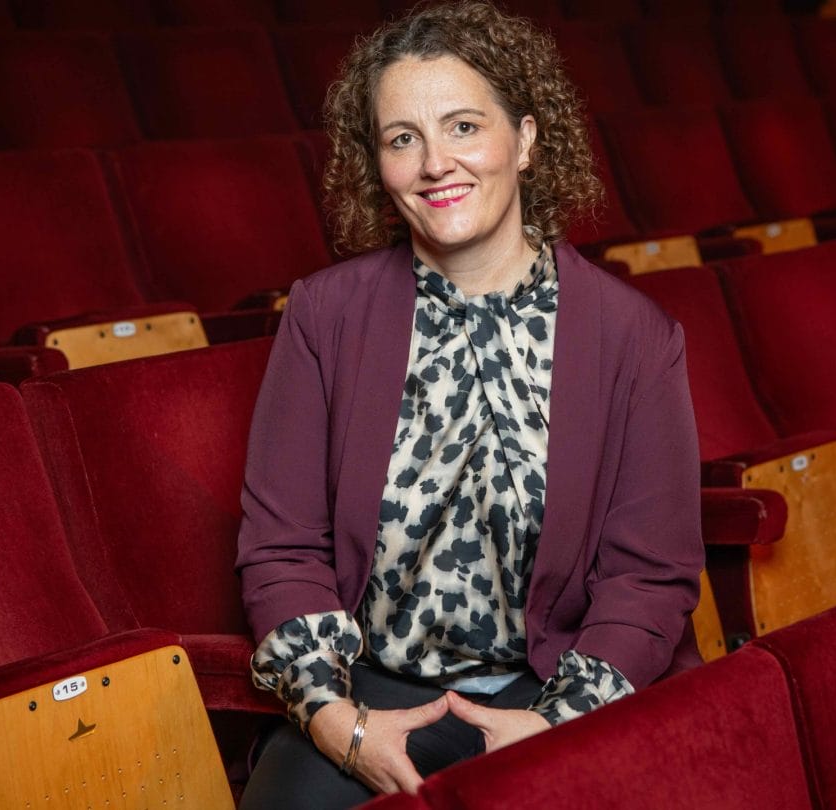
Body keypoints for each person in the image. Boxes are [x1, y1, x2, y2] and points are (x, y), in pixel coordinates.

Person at [235, 3, 704, 806]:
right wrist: (337, 721)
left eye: (462, 127)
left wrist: (559, 722)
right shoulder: (325, 315)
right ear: (378, 163)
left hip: (555, 682)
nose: (434, 164)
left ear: (523, 140)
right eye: (402, 139)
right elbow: (282, 547)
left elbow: (650, 576)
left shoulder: (635, 337)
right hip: (374, 687)